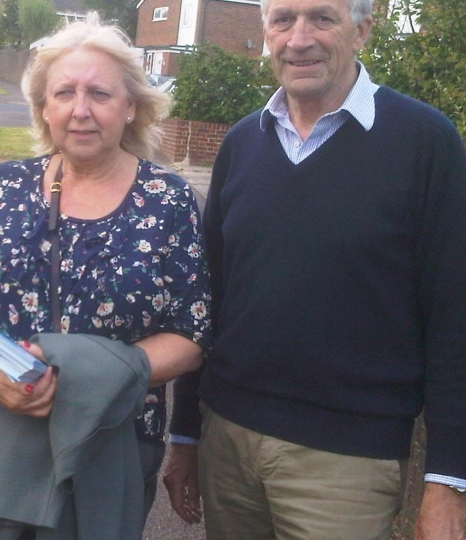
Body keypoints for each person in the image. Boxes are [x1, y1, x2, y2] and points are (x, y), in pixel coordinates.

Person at [163, 0, 466, 536]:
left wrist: (449, 479)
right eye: (283, 20)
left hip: (346, 464)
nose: (299, 38)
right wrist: (186, 434)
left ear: (362, 31)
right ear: (266, 34)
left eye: (322, 18)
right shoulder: (241, 144)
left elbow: (454, 317)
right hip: (228, 440)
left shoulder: (427, 144)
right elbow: (208, 301)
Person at [0, 13, 212, 539]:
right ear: (45, 106)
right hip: (1, 433)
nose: (80, 110)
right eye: (64, 92)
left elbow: (192, 335)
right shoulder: (7, 186)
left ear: (131, 106)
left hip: (112, 441)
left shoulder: (168, 199)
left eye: (100, 94)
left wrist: (83, 378)